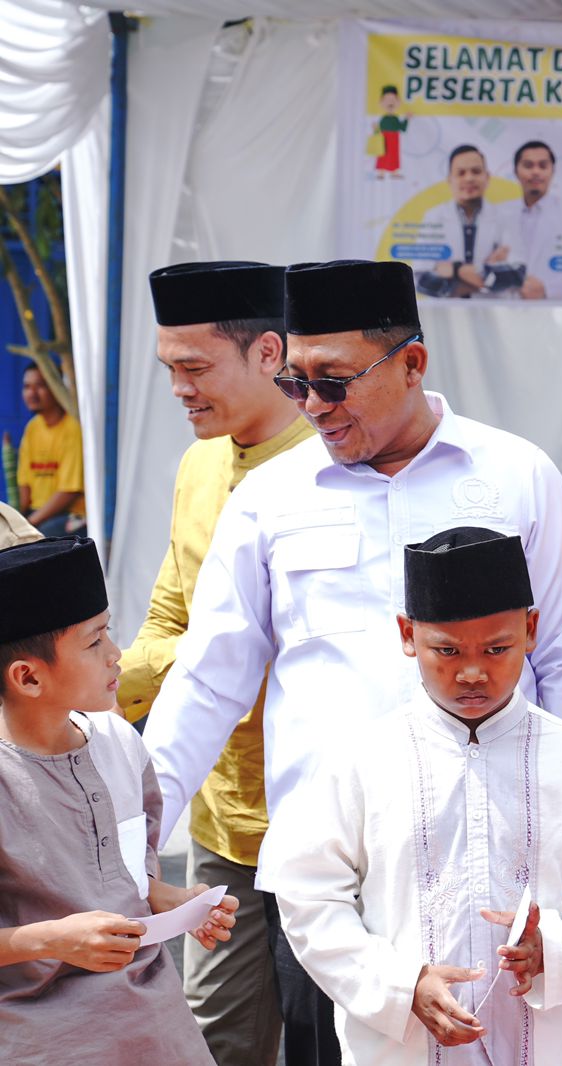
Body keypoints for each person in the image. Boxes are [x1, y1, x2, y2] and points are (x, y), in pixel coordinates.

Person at [141, 258, 562, 1066]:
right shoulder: (269, 499)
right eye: (295, 383)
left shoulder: (515, 476)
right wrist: (133, 838)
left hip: (493, 861)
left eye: (334, 381)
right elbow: (209, 678)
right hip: (331, 878)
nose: (312, 404)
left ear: (412, 363)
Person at [272, 526, 562, 1065]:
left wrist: (554, 950)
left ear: (530, 630)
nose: (473, 672)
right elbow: (310, 896)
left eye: (497, 648)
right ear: (408, 635)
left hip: (542, 1046)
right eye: (447, 650)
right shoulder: (362, 760)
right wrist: (401, 985)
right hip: (401, 1049)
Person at [117, 261, 312, 1066]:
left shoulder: (335, 469)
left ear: (268, 353)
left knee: (332, 1040)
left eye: (195, 368)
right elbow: (171, 617)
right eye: (169, 369)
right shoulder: (199, 464)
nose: (179, 390)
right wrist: (80, 699)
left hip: (323, 826)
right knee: (210, 1042)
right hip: (219, 820)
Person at [0, 536, 238, 1063]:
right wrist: (51, 939)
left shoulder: (118, 741)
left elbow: (128, 873)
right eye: (94, 642)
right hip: (45, 1042)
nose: (116, 655)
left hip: (162, 1031)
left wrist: (173, 901)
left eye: (109, 631)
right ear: (28, 676)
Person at [503, 140, 562, 302]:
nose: (536, 172)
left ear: (552, 171)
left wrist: (547, 289)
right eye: (528, 165)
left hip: (554, 307)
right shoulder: (500, 213)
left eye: (543, 166)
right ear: (516, 171)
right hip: (504, 307)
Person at [416, 145, 517, 299]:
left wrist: (453, 270)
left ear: (487, 177)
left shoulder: (505, 217)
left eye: (476, 171)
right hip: (444, 312)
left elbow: (514, 276)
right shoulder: (433, 217)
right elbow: (423, 281)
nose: (469, 178)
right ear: (450, 180)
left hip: (493, 310)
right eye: (461, 173)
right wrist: (480, 271)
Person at [17, 362, 86, 536]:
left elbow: (69, 492)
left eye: (40, 386)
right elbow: (24, 486)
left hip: (71, 515)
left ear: (57, 388)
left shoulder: (73, 427)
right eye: (27, 387)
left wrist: (29, 524)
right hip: (37, 515)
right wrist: (17, 520)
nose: (32, 393)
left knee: (37, 540)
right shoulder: (32, 428)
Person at [372, 85, 409, 177]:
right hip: (384, 139)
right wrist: (376, 129)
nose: (390, 103)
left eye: (393, 100)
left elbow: (403, 128)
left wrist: (407, 119)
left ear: (398, 102)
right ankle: (381, 173)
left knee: (394, 156)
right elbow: (378, 132)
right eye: (387, 100)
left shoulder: (396, 118)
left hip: (394, 139)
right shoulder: (383, 119)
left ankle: (394, 173)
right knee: (382, 156)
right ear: (381, 102)